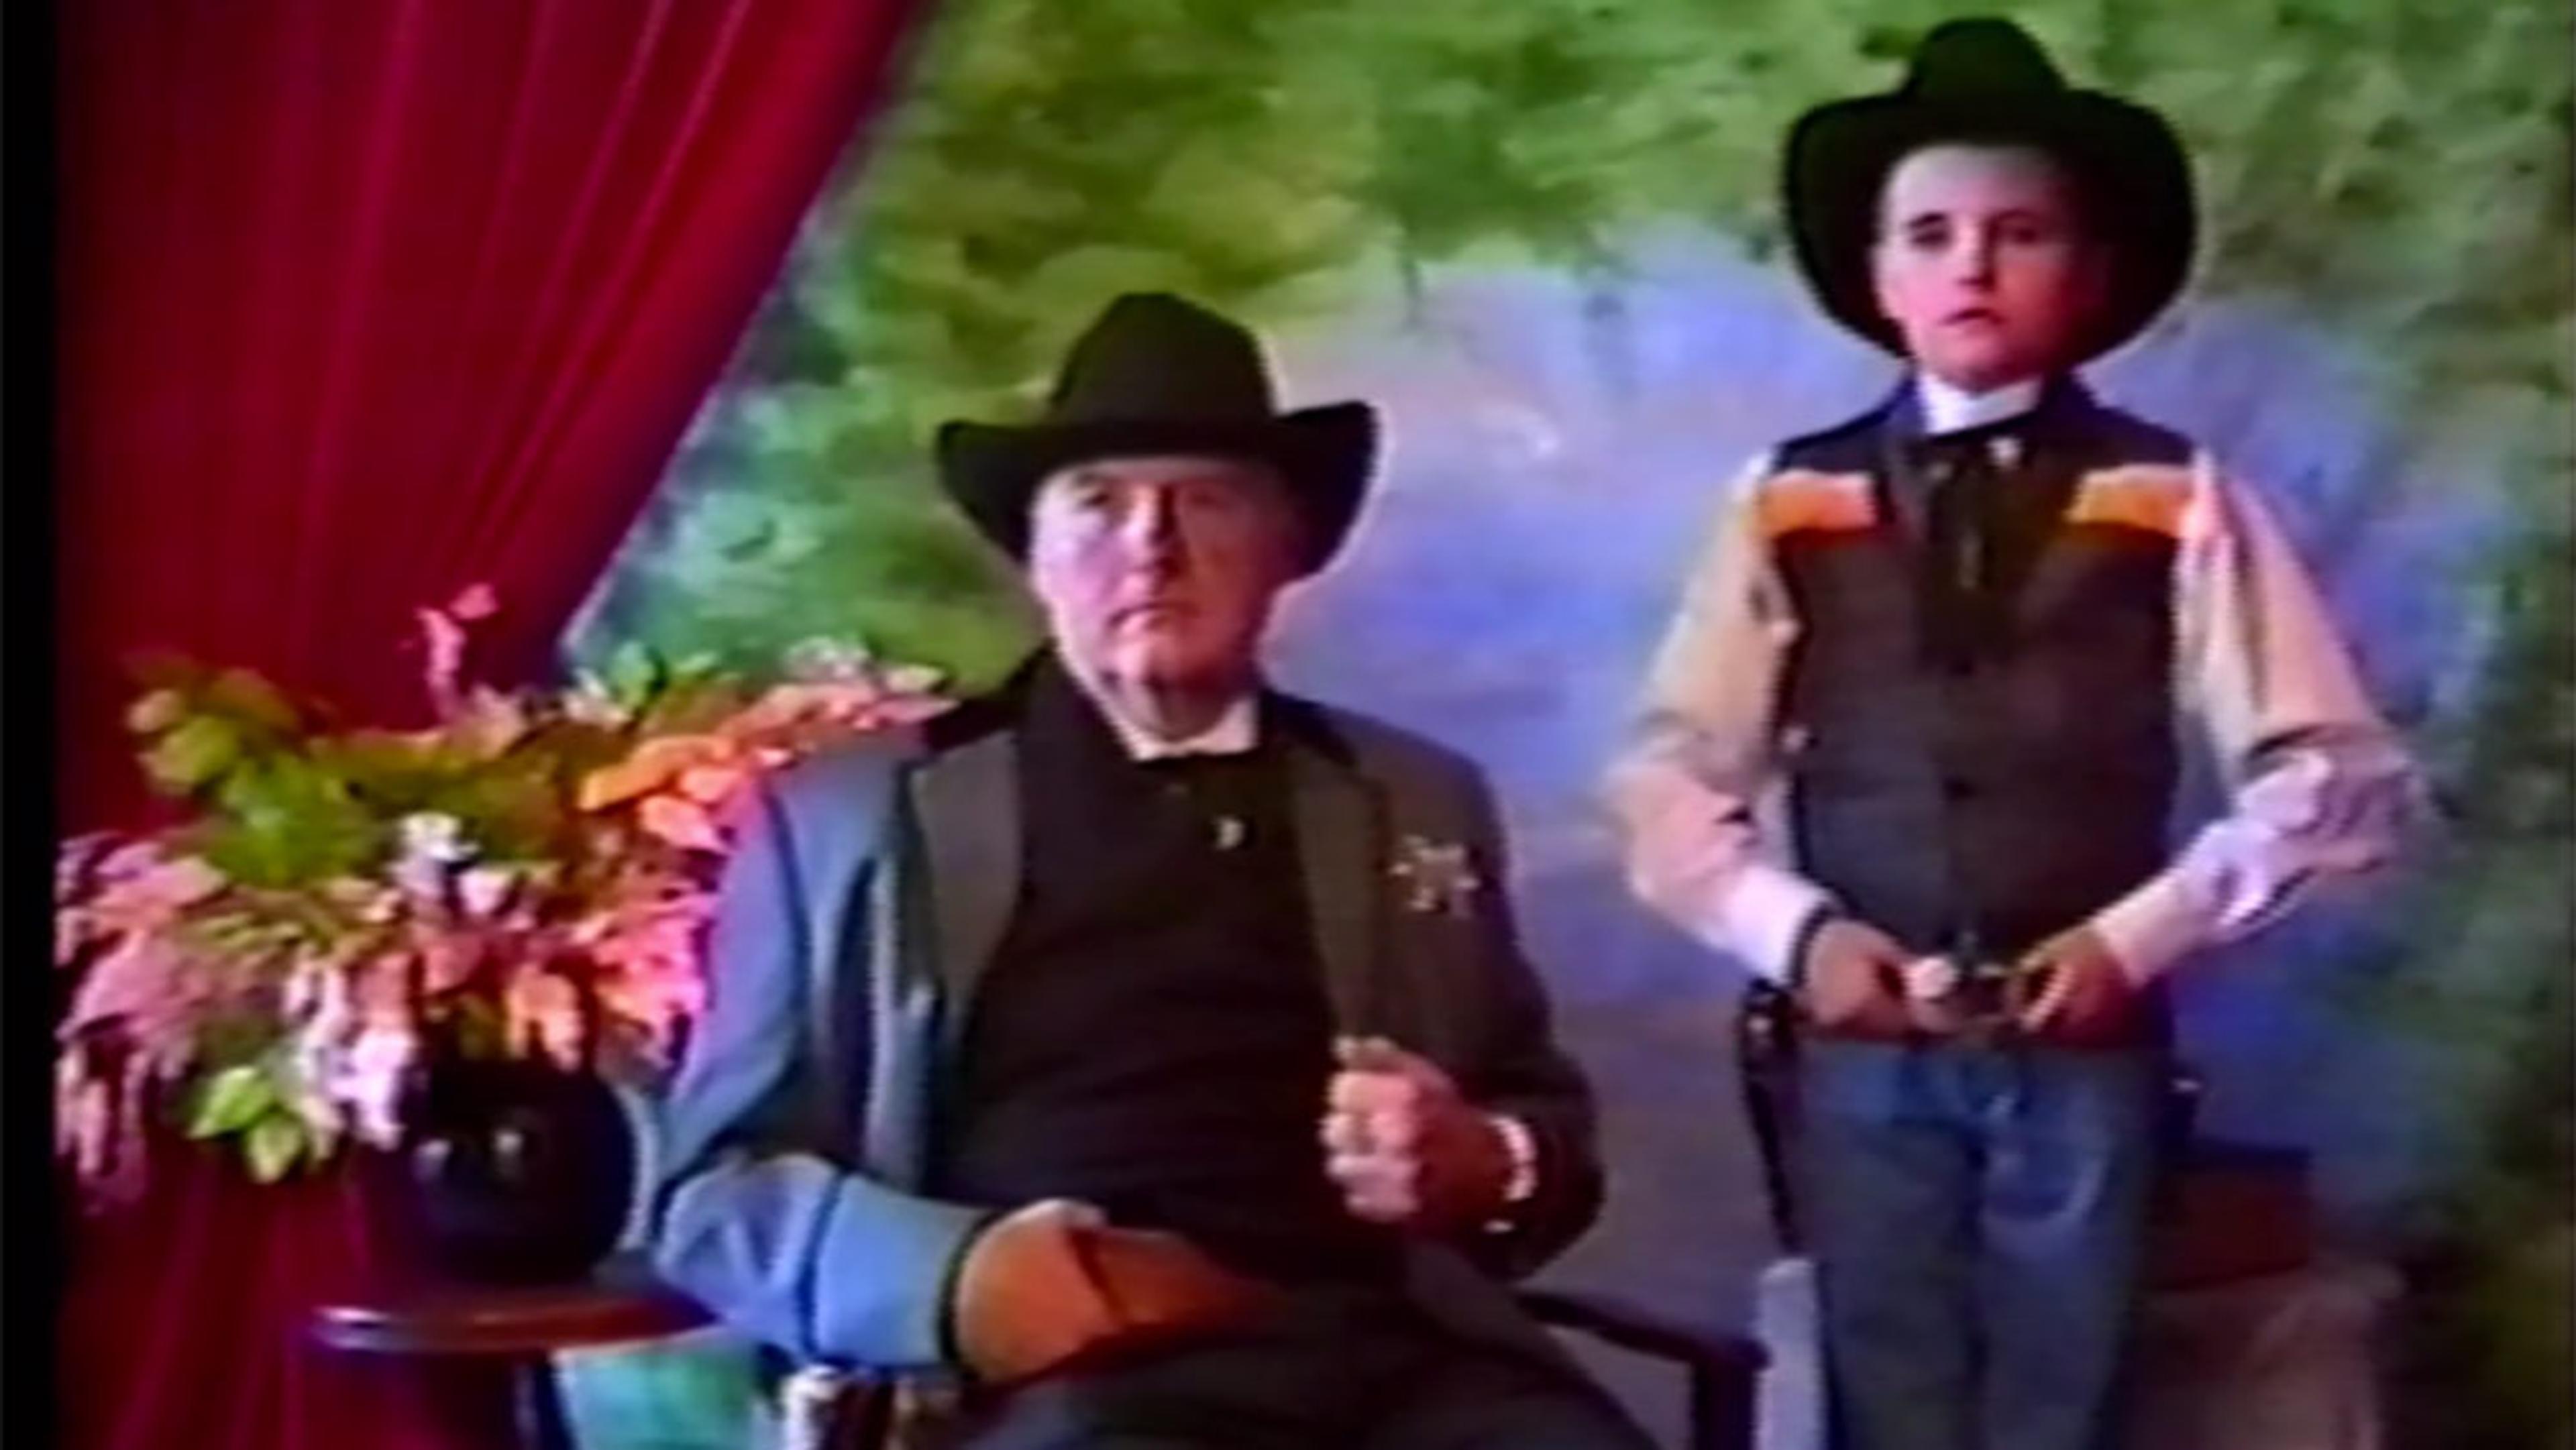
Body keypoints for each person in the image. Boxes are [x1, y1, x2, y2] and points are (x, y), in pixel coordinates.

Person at [1605, 19, 2418, 1450]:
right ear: (1879, 276)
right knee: (1887, 1392)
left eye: (2020, 233)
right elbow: (1671, 770)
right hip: (1862, 1049)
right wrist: (1798, 938)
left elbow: (2334, 773)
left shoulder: (2173, 493)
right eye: (1931, 234)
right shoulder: (1789, 499)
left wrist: (2137, 941)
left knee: (2067, 1396)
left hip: (2086, 1055)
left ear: (2090, 274)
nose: (1972, 266)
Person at [649, 292, 1653, 1450]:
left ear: (1284, 550)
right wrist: (961, 1279)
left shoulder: (1413, 798)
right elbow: (711, 1198)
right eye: (1099, 501)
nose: (1150, 544)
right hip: (1073, 1375)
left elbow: (1543, 1128)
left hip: (1405, 1358)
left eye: (1207, 500)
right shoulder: (849, 818)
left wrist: (1483, 1159)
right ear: (1034, 553)